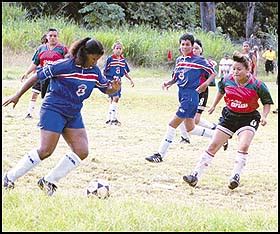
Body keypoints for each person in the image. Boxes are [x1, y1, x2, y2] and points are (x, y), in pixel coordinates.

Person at [2, 37, 121, 196]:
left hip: (73, 113)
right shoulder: (64, 65)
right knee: (45, 150)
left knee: (82, 151)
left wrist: (113, 88)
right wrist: (17, 95)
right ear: (84, 54)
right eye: (93, 58)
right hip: (53, 109)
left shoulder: (94, 72)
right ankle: (9, 177)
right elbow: (36, 76)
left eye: (98, 59)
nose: (95, 62)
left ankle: (48, 181)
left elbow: (106, 89)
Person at [183, 51, 274, 190]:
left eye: (239, 69)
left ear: (247, 69)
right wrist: (213, 105)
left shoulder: (257, 85)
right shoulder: (227, 80)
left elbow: (267, 102)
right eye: (234, 69)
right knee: (213, 145)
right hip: (229, 116)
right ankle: (195, 176)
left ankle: (235, 176)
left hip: (248, 118)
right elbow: (221, 91)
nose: (236, 72)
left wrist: (264, 116)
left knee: (243, 146)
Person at [145, 33, 217, 163]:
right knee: (191, 128)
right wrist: (169, 83)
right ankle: (217, 137)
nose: (185, 47)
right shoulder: (179, 60)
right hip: (182, 95)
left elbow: (213, 72)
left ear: (192, 45)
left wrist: (206, 83)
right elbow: (177, 77)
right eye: (182, 44)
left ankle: (160, 155)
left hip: (191, 96)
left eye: (187, 44)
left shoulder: (199, 60)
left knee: (172, 125)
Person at [179, 39, 228, 151]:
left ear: (201, 50)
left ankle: (214, 129)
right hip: (189, 92)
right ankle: (185, 137)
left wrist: (206, 81)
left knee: (195, 119)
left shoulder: (203, 62)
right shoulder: (187, 60)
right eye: (193, 48)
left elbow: (212, 75)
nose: (194, 50)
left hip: (201, 93)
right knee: (181, 114)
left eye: (197, 48)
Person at [21, 28, 68, 119]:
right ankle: (31, 113)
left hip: (57, 78)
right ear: (47, 37)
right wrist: (27, 72)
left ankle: (53, 114)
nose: (53, 38)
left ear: (58, 37)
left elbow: (68, 62)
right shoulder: (41, 48)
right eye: (50, 35)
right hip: (43, 76)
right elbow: (35, 62)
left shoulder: (62, 49)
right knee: (41, 95)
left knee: (54, 96)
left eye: (55, 36)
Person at [103, 41, 134, 125]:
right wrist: (110, 78)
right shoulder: (110, 59)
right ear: (113, 49)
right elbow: (105, 71)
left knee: (114, 99)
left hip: (119, 83)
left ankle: (109, 118)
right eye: (117, 48)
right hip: (111, 82)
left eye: (120, 48)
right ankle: (113, 118)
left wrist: (130, 79)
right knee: (115, 97)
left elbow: (124, 71)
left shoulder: (122, 60)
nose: (118, 50)